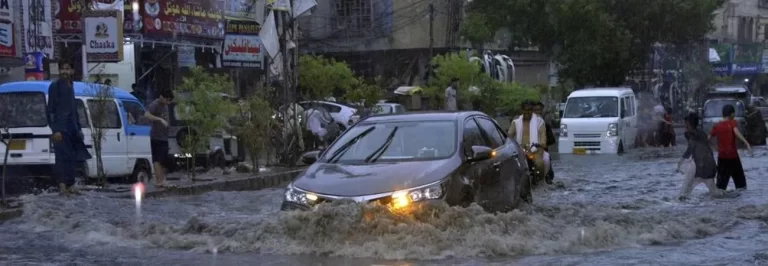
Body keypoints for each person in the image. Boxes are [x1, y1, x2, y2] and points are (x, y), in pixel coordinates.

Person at [46, 60, 92, 196]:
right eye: (63, 69)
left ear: (72, 71)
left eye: (68, 69)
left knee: (72, 157)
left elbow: (73, 109)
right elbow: (51, 110)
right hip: (60, 129)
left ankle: (70, 185)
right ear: (59, 71)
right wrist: (56, 130)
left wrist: (78, 129)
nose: (65, 71)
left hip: (72, 129)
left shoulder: (70, 86)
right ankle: (62, 186)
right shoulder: (55, 86)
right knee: (61, 158)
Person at [677, 113, 721, 200]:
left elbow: (690, 149)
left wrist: (681, 161)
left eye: (686, 123)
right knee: (715, 193)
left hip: (699, 167)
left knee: (683, 194)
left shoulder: (690, 135)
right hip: (709, 166)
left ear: (688, 123)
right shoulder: (702, 133)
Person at [709, 104, 752, 192]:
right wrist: (746, 142)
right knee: (741, 185)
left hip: (721, 158)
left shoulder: (716, 126)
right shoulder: (732, 122)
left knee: (720, 187)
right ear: (731, 114)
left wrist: (714, 147)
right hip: (733, 157)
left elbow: (708, 138)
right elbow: (735, 131)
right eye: (734, 114)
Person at [508, 100, 549, 182]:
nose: (527, 112)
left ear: (532, 110)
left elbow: (543, 137)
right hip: (520, 151)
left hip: (535, 149)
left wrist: (542, 143)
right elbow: (509, 136)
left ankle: (541, 182)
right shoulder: (516, 122)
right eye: (525, 110)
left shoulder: (539, 122)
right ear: (521, 110)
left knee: (539, 164)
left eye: (529, 110)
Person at [144, 90, 174, 188]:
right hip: (156, 136)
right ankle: (159, 181)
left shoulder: (164, 105)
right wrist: (159, 119)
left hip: (164, 136)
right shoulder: (155, 104)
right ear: (162, 97)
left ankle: (162, 180)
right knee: (157, 159)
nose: (168, 102)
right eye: (167, 100)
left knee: (163, 160)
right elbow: (147, 114)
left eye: (170, 101)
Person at [533, 101, 555, 184]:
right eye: (535, 110)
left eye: (539, 110)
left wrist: (542, 143)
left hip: (542, 152)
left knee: (546, 159)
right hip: (528, 151)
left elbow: (552, 140)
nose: (537, 112)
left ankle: (547, 177)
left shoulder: (546, 126)